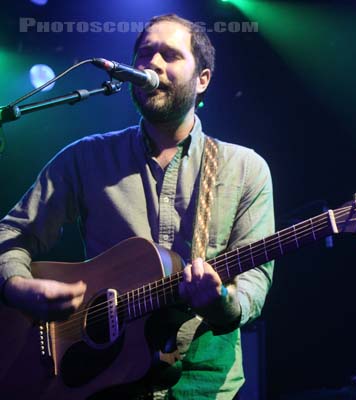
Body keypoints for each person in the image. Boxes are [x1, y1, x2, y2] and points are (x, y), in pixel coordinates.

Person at [0, 13, 274, 400]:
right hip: (96, 382)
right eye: (145, 54)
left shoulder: (245, 169)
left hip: (201, 387)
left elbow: (254, 282)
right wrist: (16, 286)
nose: (153, 64)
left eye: (170, 55)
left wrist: (222, 303)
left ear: (202, 80)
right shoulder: (85, 158)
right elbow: (10, 234)